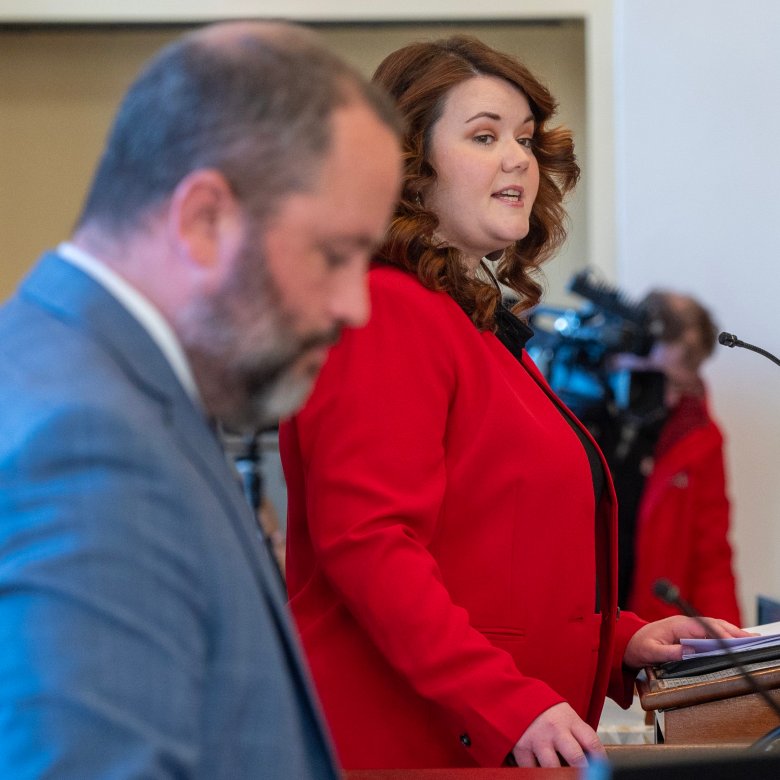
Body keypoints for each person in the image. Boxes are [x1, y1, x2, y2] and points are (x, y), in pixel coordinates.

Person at [279, 36, 746, 770]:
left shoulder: (471, 323)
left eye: (524, 139)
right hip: (409, 747)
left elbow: (498, 561)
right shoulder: (384, 310)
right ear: (409, 165)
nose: (518, 160)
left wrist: (621, 638)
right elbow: (370, 544)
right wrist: (506, 700)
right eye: (484, 136)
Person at [0, 21, 401, 779]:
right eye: (334, 255)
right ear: (204, 220)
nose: (356, 307)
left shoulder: (97, 382)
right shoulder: (87, 446)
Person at [599, 291, 742, 625]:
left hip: (649, 630)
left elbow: (711, 557)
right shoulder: (569, 407)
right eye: (654, 380)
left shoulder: (700, 437)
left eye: (680, 386)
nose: (667, 399)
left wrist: (733, 644)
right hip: (577, 621)